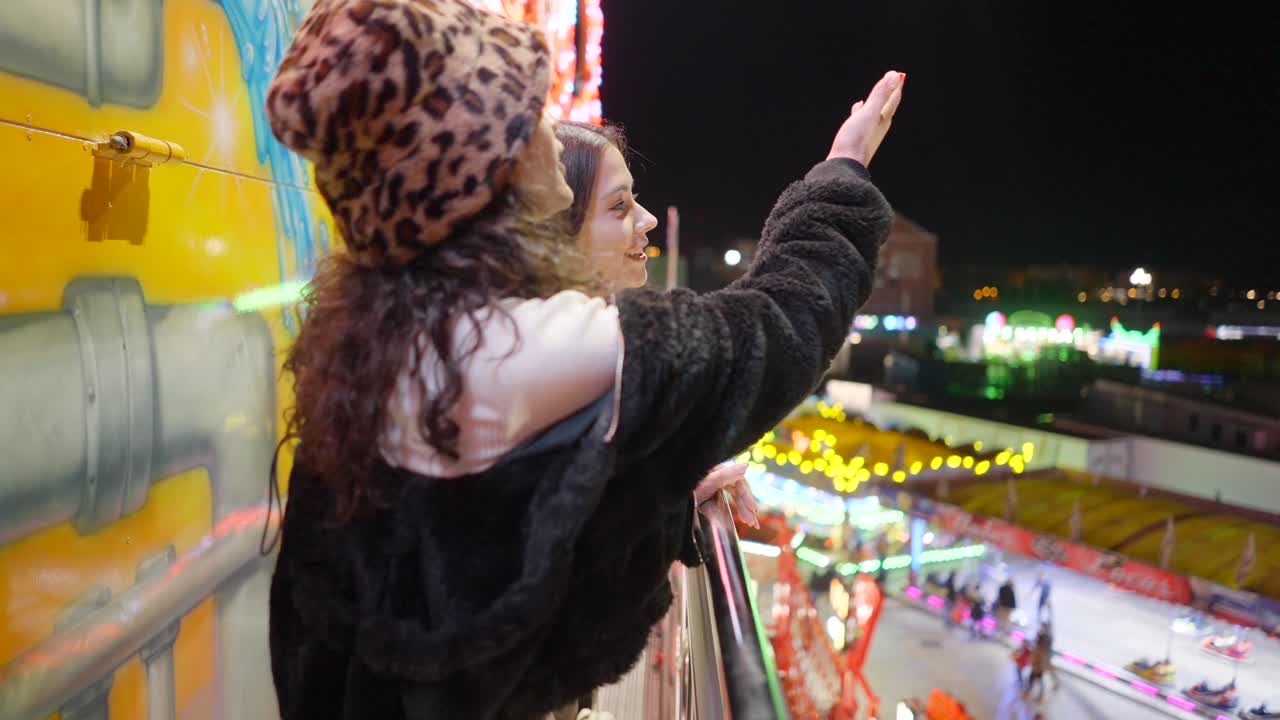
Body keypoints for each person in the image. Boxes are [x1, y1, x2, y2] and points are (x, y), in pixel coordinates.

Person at [263, 1, 905, 717]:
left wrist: (657, 497)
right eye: (525, 106)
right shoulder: (525, 346)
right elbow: (779, 329)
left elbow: (507, 532)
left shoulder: (395, 334)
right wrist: (843, 172)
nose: (548, 121)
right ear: (484, 156)